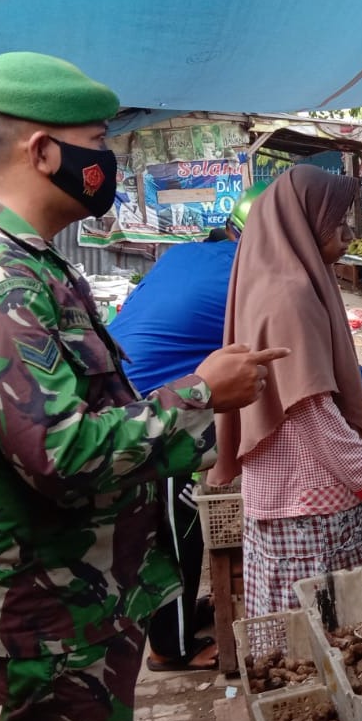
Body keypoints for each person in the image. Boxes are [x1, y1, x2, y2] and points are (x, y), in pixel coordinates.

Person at [0, 51, 286, 721]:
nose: (106, 158)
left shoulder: (30, 263)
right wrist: (201, 395)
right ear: (45, 152)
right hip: (52, 608)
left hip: (84, 595)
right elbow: (63, 454)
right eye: (96, 140)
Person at [211, 164, 362, 614]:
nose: (346, 235)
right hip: (308, 498)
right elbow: (310, 411)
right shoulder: (290, 294)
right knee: (327, 626)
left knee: (291, 625)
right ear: (303, 221)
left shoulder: (275, 276)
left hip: (282, 487)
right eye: (337, 222)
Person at [108, 180, 269, 673]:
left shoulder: (184, 256)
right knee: (176, 528)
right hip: (150, 408)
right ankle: (171, 647)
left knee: (173, 522)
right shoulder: (247, 278)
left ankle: (174, 615)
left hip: (117, 389)